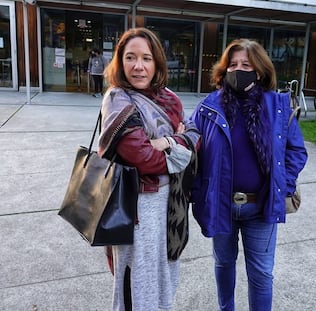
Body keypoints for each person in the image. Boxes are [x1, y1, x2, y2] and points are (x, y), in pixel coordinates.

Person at [190, 38, 308, 311]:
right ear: (224, 69)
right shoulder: (209, 106)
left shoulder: (277, 106)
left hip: (261, 206)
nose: (238, 70)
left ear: (260, 70)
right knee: (223, 263)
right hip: (221, 204)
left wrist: (283, 184)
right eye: (232, 64)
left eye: (246, 64)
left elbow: (296, 151)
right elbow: (192, 145)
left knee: (262, 274)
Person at [97, 27, 200, 311]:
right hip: (136, 208)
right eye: (130, 57)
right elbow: (142, 157)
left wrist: (168, 141)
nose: (138, 66)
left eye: (146, 58)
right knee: (137, 287)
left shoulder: (169, 98)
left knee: (165, 280)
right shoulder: (118, 99)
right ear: (120, 61)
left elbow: (194, 139)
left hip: (170, 208)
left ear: (157, 64)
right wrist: (180, 145)